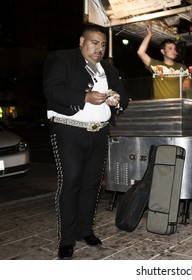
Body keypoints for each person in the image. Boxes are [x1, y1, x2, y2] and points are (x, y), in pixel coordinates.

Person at [43, 25, 129, 259]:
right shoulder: (62, 59)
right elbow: (52, 90)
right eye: (94, 43)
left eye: (103, 45)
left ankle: (85, 230)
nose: (99, 49)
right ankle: (66, 238)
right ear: (82, 41)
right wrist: (85, 97)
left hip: (99, 133)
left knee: (92, 184)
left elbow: (124, 96)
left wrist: (117, 100)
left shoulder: (109, 69)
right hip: (69, 131)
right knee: (71, 181)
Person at [137, 23, 191, 99]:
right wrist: (149, 35)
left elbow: (191, 79)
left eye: (174, 49)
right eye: (170, 48)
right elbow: (140, 52)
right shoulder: (156, 65)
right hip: (162, 107)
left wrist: (188, 79)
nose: (174, 51)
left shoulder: (182, 67)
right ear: (163, 51)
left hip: (178, 106)